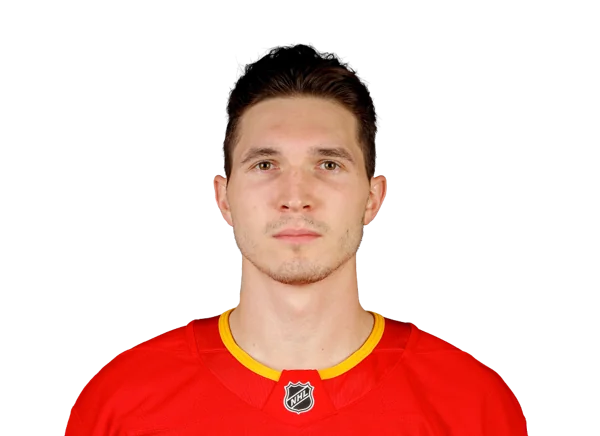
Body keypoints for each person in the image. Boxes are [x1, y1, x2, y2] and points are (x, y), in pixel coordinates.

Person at [65, 50, 529, 435]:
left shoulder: (473, 403)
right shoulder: (120, 400)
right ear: (222, 198)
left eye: (328, 164)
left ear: (374, 197)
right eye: (265, 165)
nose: (295, 197)